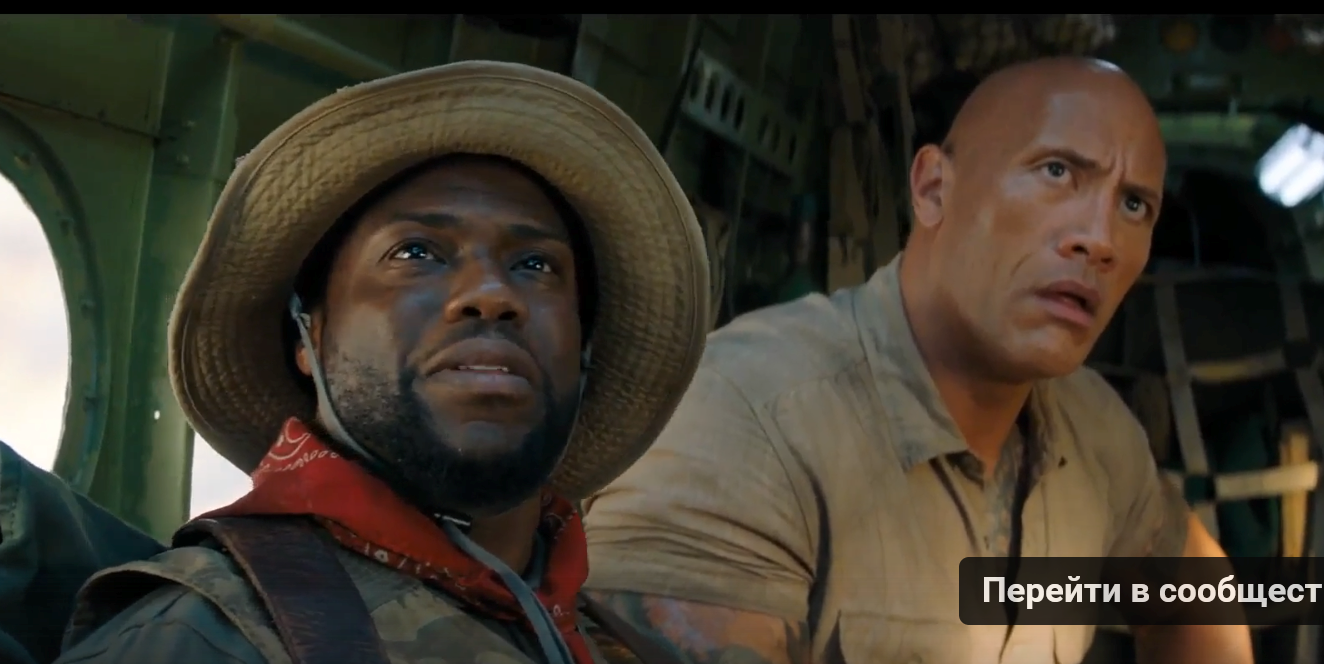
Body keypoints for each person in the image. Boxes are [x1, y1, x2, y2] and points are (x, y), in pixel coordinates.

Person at [580, 57, 1255, 664]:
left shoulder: (1094, 430)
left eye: (1134, 204)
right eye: (1057, 172)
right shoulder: (743, 422)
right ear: (933, 188)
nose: (1099, 239)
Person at [54, 60, 710, 664]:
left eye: (536, 264)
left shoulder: (617, 646)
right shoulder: (206, 637)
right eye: (416, 253)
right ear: (308, 336)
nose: (492, 295)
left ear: (584, 348)